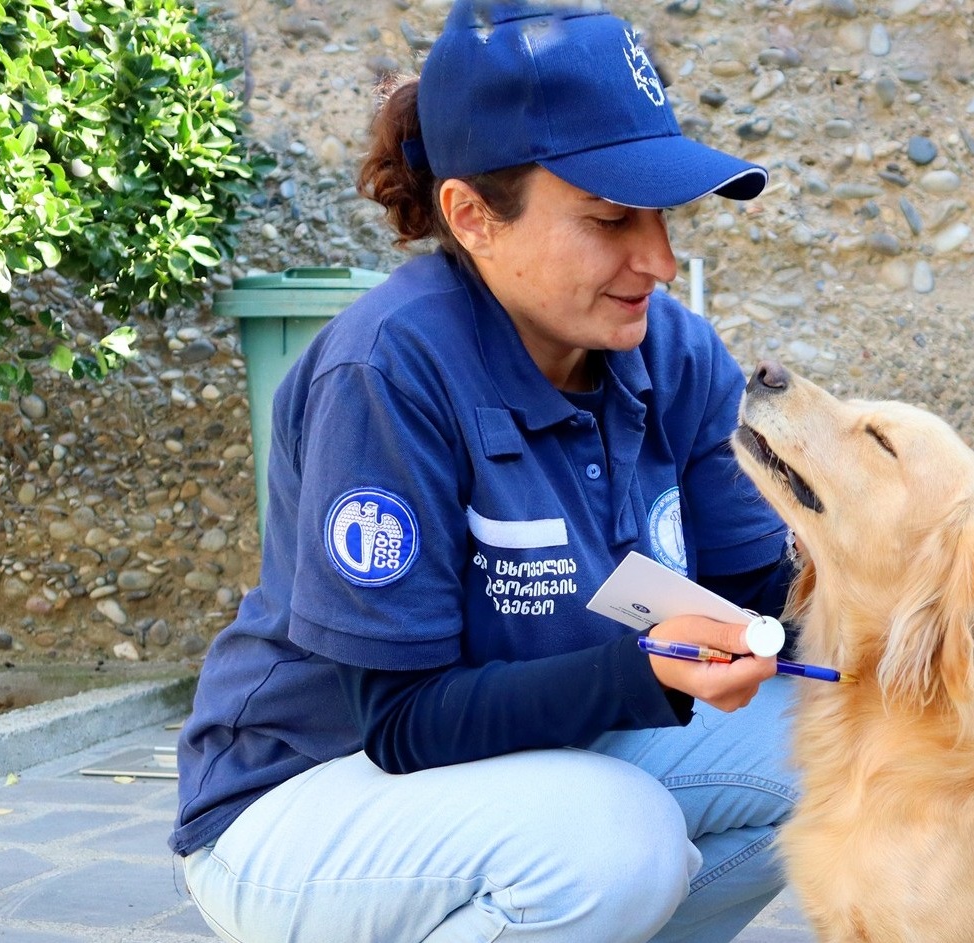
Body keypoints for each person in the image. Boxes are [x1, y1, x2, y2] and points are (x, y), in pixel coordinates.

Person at [168, 3, 801, 940]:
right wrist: (650, 674)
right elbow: (403, 721)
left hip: (537, 762)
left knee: (849, 752)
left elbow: (763, 591)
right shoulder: (386, 369)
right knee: (616, 843)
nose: (659, 261)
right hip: (308, 795)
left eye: (661, 215)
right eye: (610, 218)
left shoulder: (671, 352)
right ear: (472, 216)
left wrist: (884, 579)